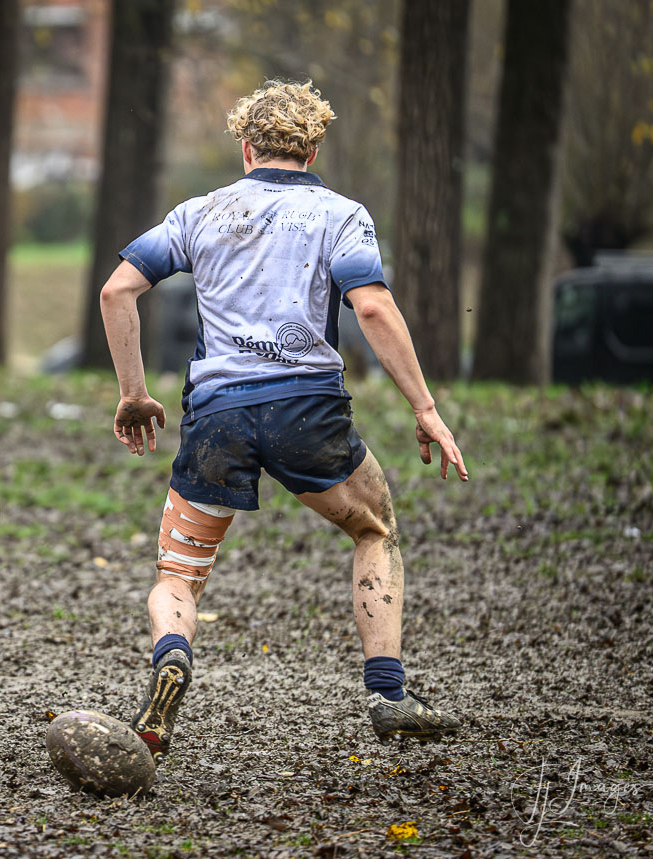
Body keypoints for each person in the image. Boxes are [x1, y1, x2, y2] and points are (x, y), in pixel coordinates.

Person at [99, 80, 469, 763]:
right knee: (374, 527)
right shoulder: (340, 215)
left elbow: (118, 289)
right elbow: (374, 308)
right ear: (313, 149)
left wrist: (134, 394)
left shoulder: (200, 212)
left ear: (246, 148)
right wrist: (425, 408)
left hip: (217, 414)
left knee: (178, 574)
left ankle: (172, 656)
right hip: (308, 411)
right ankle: (388, 694)